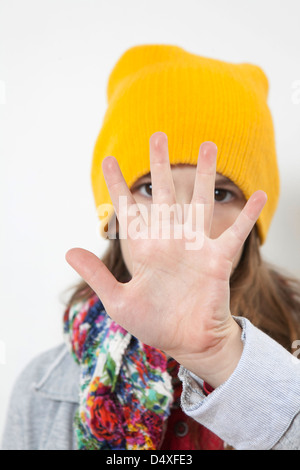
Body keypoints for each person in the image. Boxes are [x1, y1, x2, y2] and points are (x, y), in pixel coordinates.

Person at [2, 44, 300, 451]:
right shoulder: (42, 389)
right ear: (115, 216)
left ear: (254, 221)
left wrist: (225, 358)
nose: (177, 218)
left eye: (217, 191)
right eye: (148, 188)